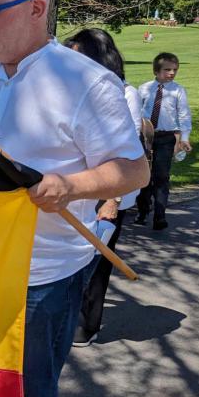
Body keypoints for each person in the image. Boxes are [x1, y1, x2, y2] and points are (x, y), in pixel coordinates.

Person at [0, 0, 149, 397]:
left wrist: (70, 185)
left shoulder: (84, 82)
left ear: (36, 9)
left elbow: (134, 171)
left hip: (42, 278)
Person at [63, 28, 143, 347]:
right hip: (77, 189)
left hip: (107, 190)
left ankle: (87, 325)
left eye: (78, 56)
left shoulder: (124, 93)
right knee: (69, 258)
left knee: (97, 262)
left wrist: (112, 199)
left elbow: (127, 150)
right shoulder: (72, 93)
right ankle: (65, 318)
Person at [135, 52, 192, 230]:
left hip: (166, 137)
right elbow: (136, 114)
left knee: (161, 177)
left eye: (174, 70)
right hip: (145, 137)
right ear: (156, 70)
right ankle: (143, 211)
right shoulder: (144, 89)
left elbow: (184, 115)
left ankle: (160, 216)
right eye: (167, 69)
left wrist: (184, 138)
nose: (171, 73)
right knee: (144, 176)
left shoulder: (178, 91)